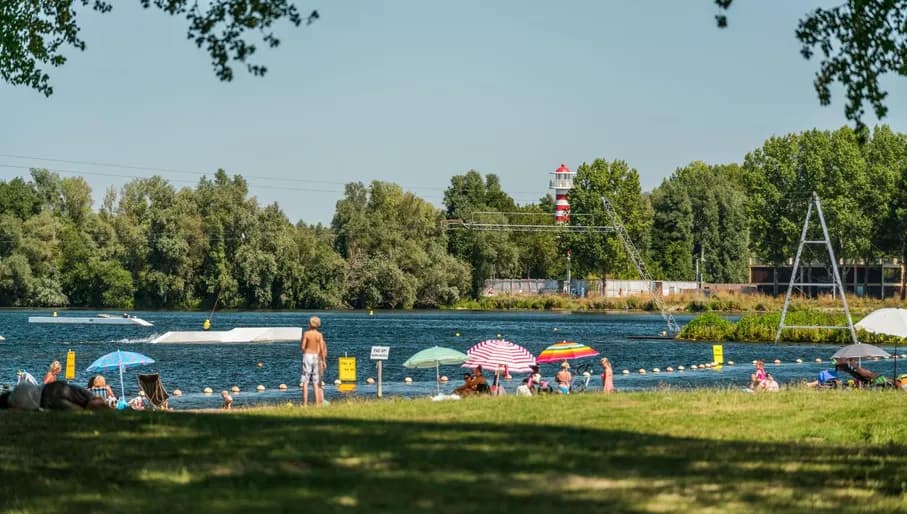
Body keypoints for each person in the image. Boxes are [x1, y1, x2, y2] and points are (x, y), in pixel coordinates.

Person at [300, 316, 328, 407]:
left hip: (307, 355)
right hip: (316, 357)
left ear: (310, 324)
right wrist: (323, 361)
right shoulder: (319, 335)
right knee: (316, 382)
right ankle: (317, 404)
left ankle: (305, 404)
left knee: (305, 381)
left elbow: (303, 347)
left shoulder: (306, 333)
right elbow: (322, 350)